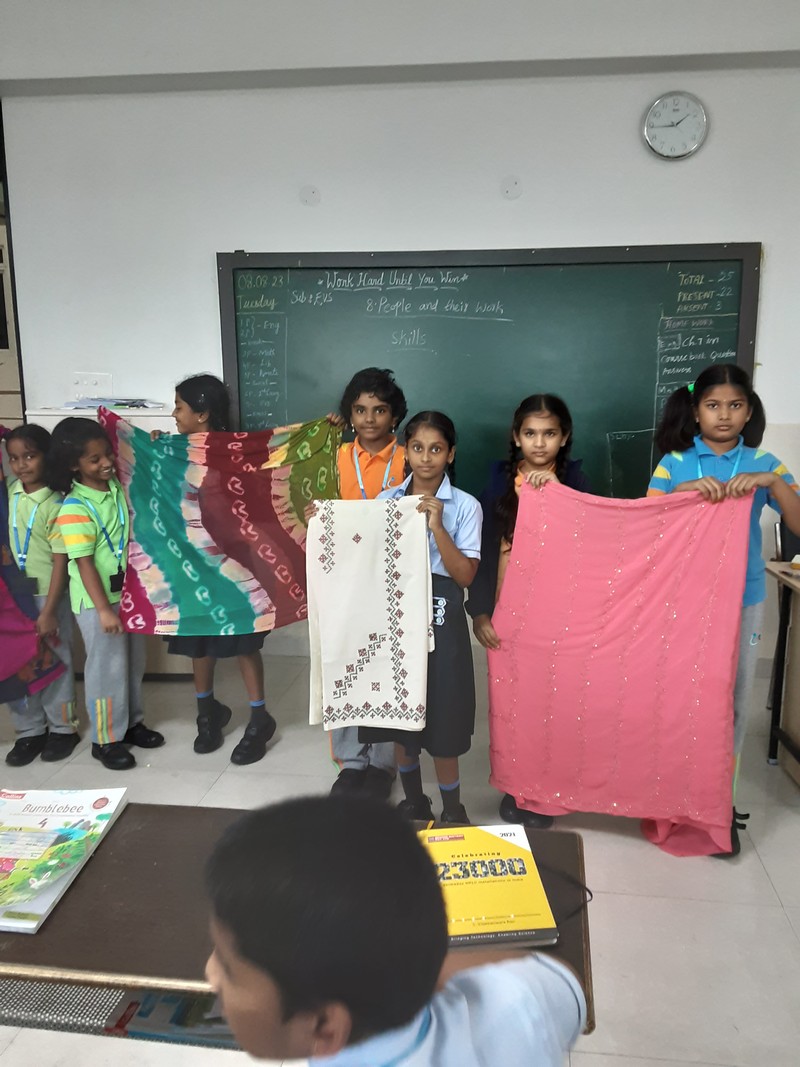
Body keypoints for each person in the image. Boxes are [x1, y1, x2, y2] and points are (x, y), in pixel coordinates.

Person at [205, 795, 586, 1065]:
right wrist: (407, 963)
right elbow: (563, 979)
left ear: (324, 1028)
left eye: (227, 966)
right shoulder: (515, 998)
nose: (211, 974)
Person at [648, 363, 800, 855]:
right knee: (680, 698)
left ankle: (719, 803)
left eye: (735, 405)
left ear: (749, 411)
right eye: (713, 405)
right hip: (682, 601)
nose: (724, 415)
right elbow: (647, 521)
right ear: (696, 411)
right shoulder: (675, 462)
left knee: (731, 702)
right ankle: (674, 796)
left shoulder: (765, 462)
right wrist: (683, 493)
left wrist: (772, 483)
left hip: (742, 599)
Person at [468, 394, 591, 828]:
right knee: (513, 706)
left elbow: (591, 545)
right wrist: (479, 612)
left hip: (558, 618)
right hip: (508, 615)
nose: (540, 443)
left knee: (553, 704)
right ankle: (516, 786)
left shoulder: (576, 482)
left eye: (550, 433)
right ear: (516, 437)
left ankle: (547, 789)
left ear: (565, 437)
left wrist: (557, 493)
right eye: (531, 433)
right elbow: (481, 552)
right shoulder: (497, 483)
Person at [361, 411, 481, 825]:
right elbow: (367, 560)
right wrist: (323, 523)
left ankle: (453, 810)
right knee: (400, 716)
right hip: (395, 618)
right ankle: (414, 801)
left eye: (436, 449)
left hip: (443, 618)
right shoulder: (385, 502)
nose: (426, 458)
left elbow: (465, 576)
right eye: (417, 448)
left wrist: (438, 527)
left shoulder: (466, 506)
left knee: (444, 715)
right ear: (405, 451)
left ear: (451, 454)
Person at [161, 374, 276, 765]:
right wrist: (155, 449)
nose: (174, 414)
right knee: (199, 638)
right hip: (194, 564)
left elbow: (257, 498)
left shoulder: (235, 452)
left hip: (236, 563)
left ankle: (259, 718)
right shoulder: (174, 451)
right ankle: (207, 712)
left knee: (244, 640)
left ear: (202, 413)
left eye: (179, 407)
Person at [49, 417, 164, 770]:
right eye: (94, 459)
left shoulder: (113, 485)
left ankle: (131, 723)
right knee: (106, 668)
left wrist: (155, 442)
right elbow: (83, 564)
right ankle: (105, 739)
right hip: (95, 601)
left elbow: (140, 468)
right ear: (74, 465)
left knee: (133, 662)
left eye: (107, 454)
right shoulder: (74, 508)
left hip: (125, 595)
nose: (106, 463)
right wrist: (103, 610)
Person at [328, 367, 408, 801]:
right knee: (345, 666)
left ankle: (382, 763)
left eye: (379, 410)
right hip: (342, 579)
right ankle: (351, 761)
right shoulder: (335, 455)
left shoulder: (410, 457)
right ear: (349, 414)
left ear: (394, 415)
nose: (370, 418)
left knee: (388, 667)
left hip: (395, 580)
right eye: (360, 410)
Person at [1, 425, 79, 765]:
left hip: (48, 597)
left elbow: (61, 560)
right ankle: (29, 730)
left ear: (46, 457)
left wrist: (48, 611)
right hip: (14, 598)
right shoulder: (9, 493)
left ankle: (63, 728)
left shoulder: (57, 502)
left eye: (30, 456)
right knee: (16, 660)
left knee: (57, 660)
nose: (21, 465)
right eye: (14, 458)